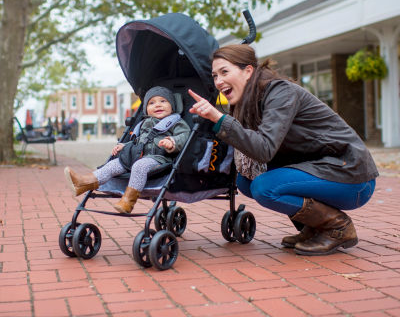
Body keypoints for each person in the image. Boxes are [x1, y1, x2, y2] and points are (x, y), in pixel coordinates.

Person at [188, 44, 378, 256]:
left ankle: (337, 227)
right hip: (321, 171)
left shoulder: (280, 92)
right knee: (246, 182)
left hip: (351, 176)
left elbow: (264, 149)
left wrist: (220, 119)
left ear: (248, 71)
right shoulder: (248, 100)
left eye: (224, 72)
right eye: (215, 75)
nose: (218, 81)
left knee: (264, 187)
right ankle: (313, 227)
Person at [65, 86, 190, 213]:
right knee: (113, 164)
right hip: (136, 155)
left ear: (172, 106)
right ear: (146, 109)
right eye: (152, 103)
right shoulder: (143, 123)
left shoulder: (175, 122)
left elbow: (184, 136)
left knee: (139, 166)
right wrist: (125, 146)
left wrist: (172, 142)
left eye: (163, 101)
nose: (158, 105)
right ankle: (83, 183)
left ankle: (128, 201)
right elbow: (139, 140)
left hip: (158, 158)